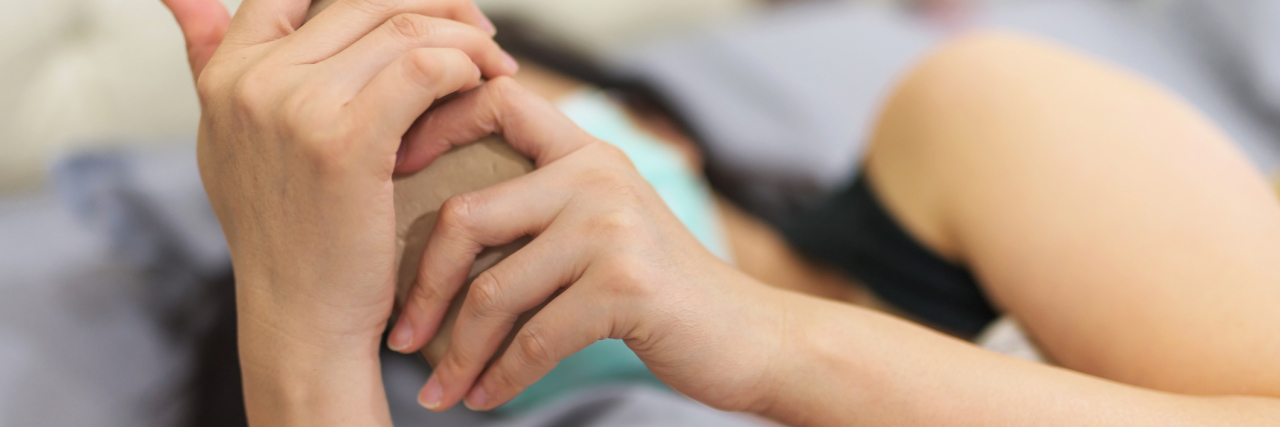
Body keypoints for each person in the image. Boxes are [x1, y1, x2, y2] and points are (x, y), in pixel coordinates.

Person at [160, 0, 1280, 425]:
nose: (483, 216)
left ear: (651, 122)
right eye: (401, 250)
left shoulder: (979, 117)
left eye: (460, 116)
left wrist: (756, 335)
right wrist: (299, 330)